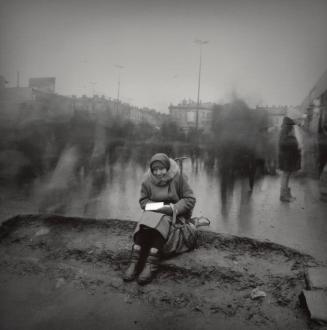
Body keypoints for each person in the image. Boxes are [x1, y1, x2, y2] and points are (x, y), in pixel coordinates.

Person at [123, 153, 196, 285]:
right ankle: (134, 261)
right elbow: (143, 201)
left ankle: (152, 264)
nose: (158, 172)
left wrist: (174, 208)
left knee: (162, 221)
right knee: (144, 221)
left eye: (161, 169)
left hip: (174, 214)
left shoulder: (178, 178)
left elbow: (190, 199)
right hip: (154, 211)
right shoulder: (147, 180)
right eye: (154, 170)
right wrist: (155, 206)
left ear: (167, 167)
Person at [278, 116, 301, 202]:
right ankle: (284, 195)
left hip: (287, 157)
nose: (293, 127)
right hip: (286, 157)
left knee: (287, 175)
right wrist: (293, 141)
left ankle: (286, 194)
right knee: (285, 175)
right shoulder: (285, 131)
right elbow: (283, 143)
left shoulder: (285, 130)